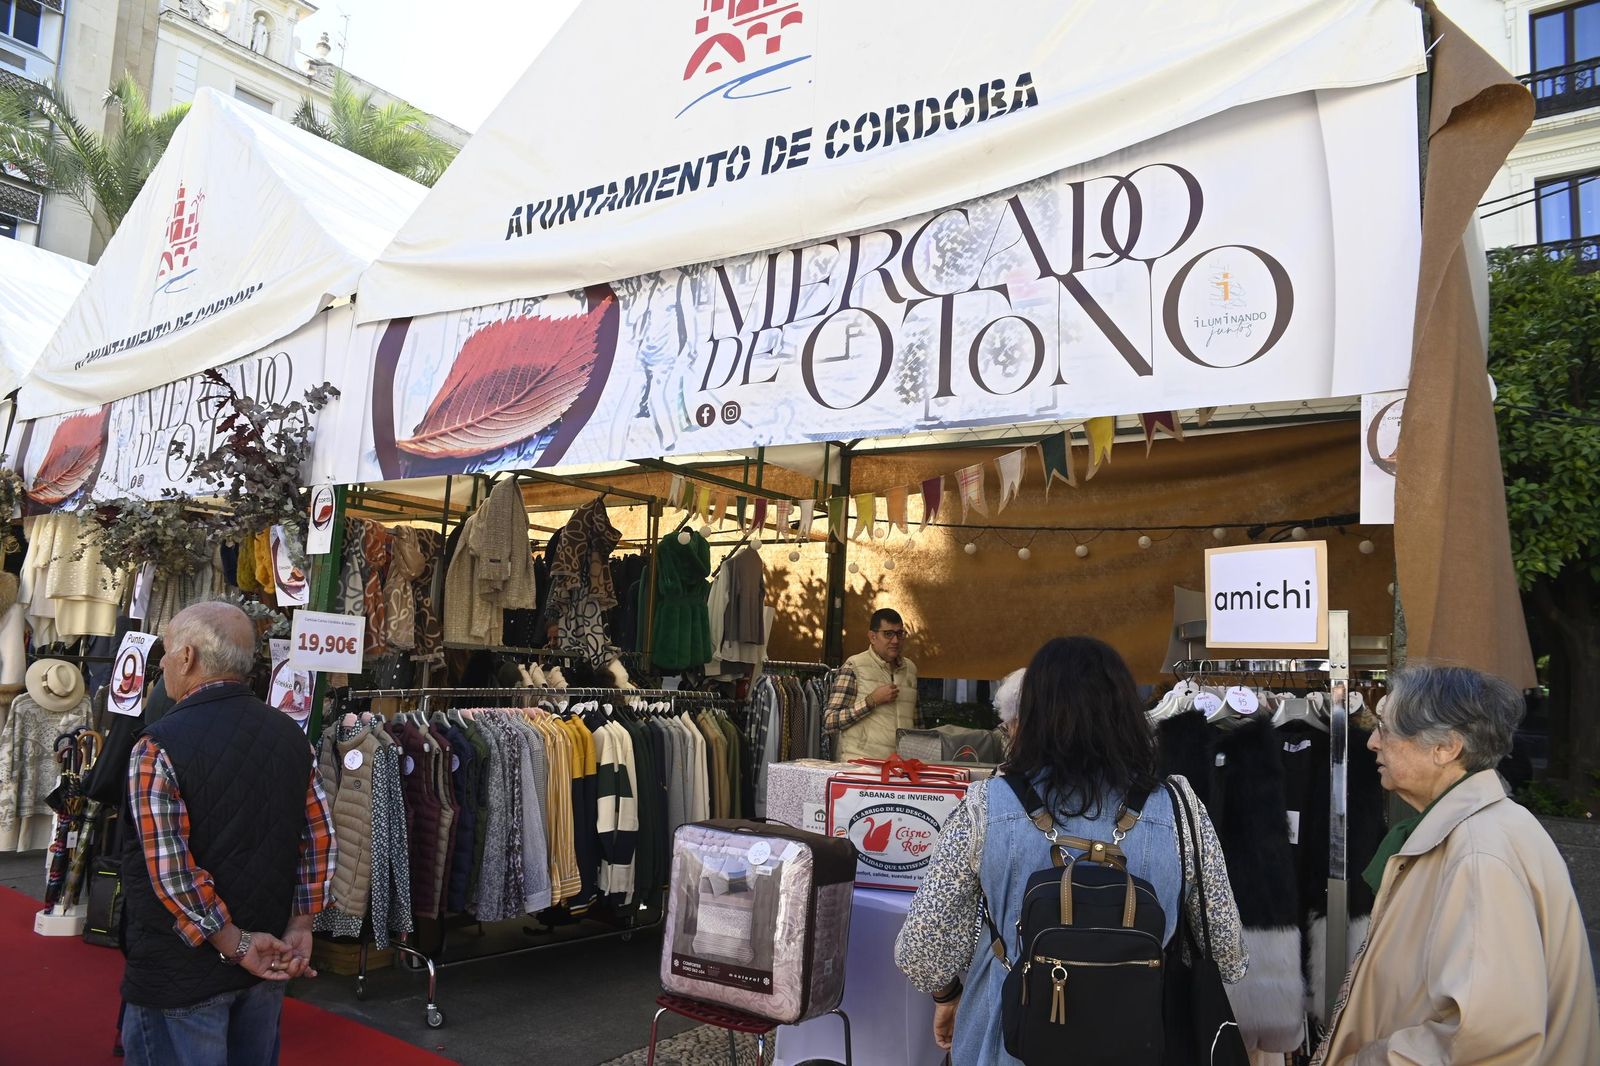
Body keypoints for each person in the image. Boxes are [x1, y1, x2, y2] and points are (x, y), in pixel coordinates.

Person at [894, 636, 1247, 1063]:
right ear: (1125, 711)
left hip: (1006, 1043)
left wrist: (947, 994)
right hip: (1144, 1041)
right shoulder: (1179, 805)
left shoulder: (986, 804)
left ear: (1034, 712)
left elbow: (920, 951)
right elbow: (1227, 957)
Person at [1314, 664, 1600, 1065]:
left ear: (1446, 747)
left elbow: (1483, 1039)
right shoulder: (1480, 830)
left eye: (1386, 727)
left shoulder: (1477, 853)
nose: (1373, 742)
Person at [120, 602, 337, 1066]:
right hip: (266, 955)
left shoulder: (157, 745)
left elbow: (171, 870)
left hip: (186, 968)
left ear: (188, 657)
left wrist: (235, 942)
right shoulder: (290, 736)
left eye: (165, 652)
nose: (160, 663)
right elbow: (319, 839)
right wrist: (299, 923)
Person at [825, 607, 918, 761]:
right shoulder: (854, 666)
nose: (895, 640)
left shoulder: (911, 669)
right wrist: (871, 701)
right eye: (888, 634)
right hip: (861, 766)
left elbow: (917, 723)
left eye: (899, 634)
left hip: (901, 768)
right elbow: (830, 721)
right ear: (872, 637)